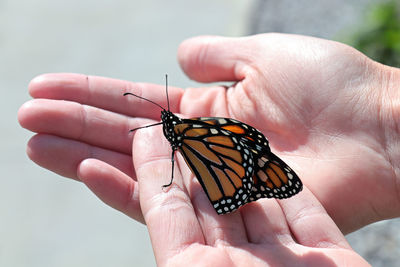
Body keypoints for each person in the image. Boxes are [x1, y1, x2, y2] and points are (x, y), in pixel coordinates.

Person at [18, 33, 400, 266]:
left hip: (233, 178)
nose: (167, 126)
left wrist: (382, 118)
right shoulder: (187, 130)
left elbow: (231, 142)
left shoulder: (190, 130)